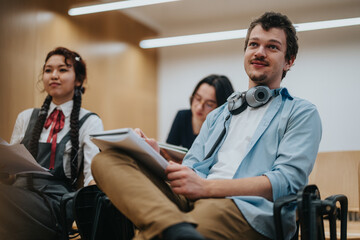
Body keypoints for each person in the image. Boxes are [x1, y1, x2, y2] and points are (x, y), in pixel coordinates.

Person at [91, 12, 322, 240]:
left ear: (289, 61)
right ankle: (176, 228)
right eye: (254, 44)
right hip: (193, 200)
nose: (259, 52)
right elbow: (190, 168)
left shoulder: (300, 112)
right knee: (107, 160)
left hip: (247, 209)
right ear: (245, 52)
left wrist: (207, 188)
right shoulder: (219, 115)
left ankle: (171, 227)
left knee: (165, 228)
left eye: (272, 47)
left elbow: (286, 182)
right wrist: (153, 157)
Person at [0, 47, 104, 239]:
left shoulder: (90, 121)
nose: (54, 75)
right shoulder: (25, 117)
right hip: (19, 196)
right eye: (48, 70)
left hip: (58, 204)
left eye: (63, 70)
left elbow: (92, 178)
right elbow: (10, 175)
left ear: (78, 80)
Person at [166, 74, 234, 149]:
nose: (199, 107)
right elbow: (168, 150)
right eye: (198, 99)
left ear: (221, 108)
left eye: (209, 104)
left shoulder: (225, 128)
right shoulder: (182, 116)